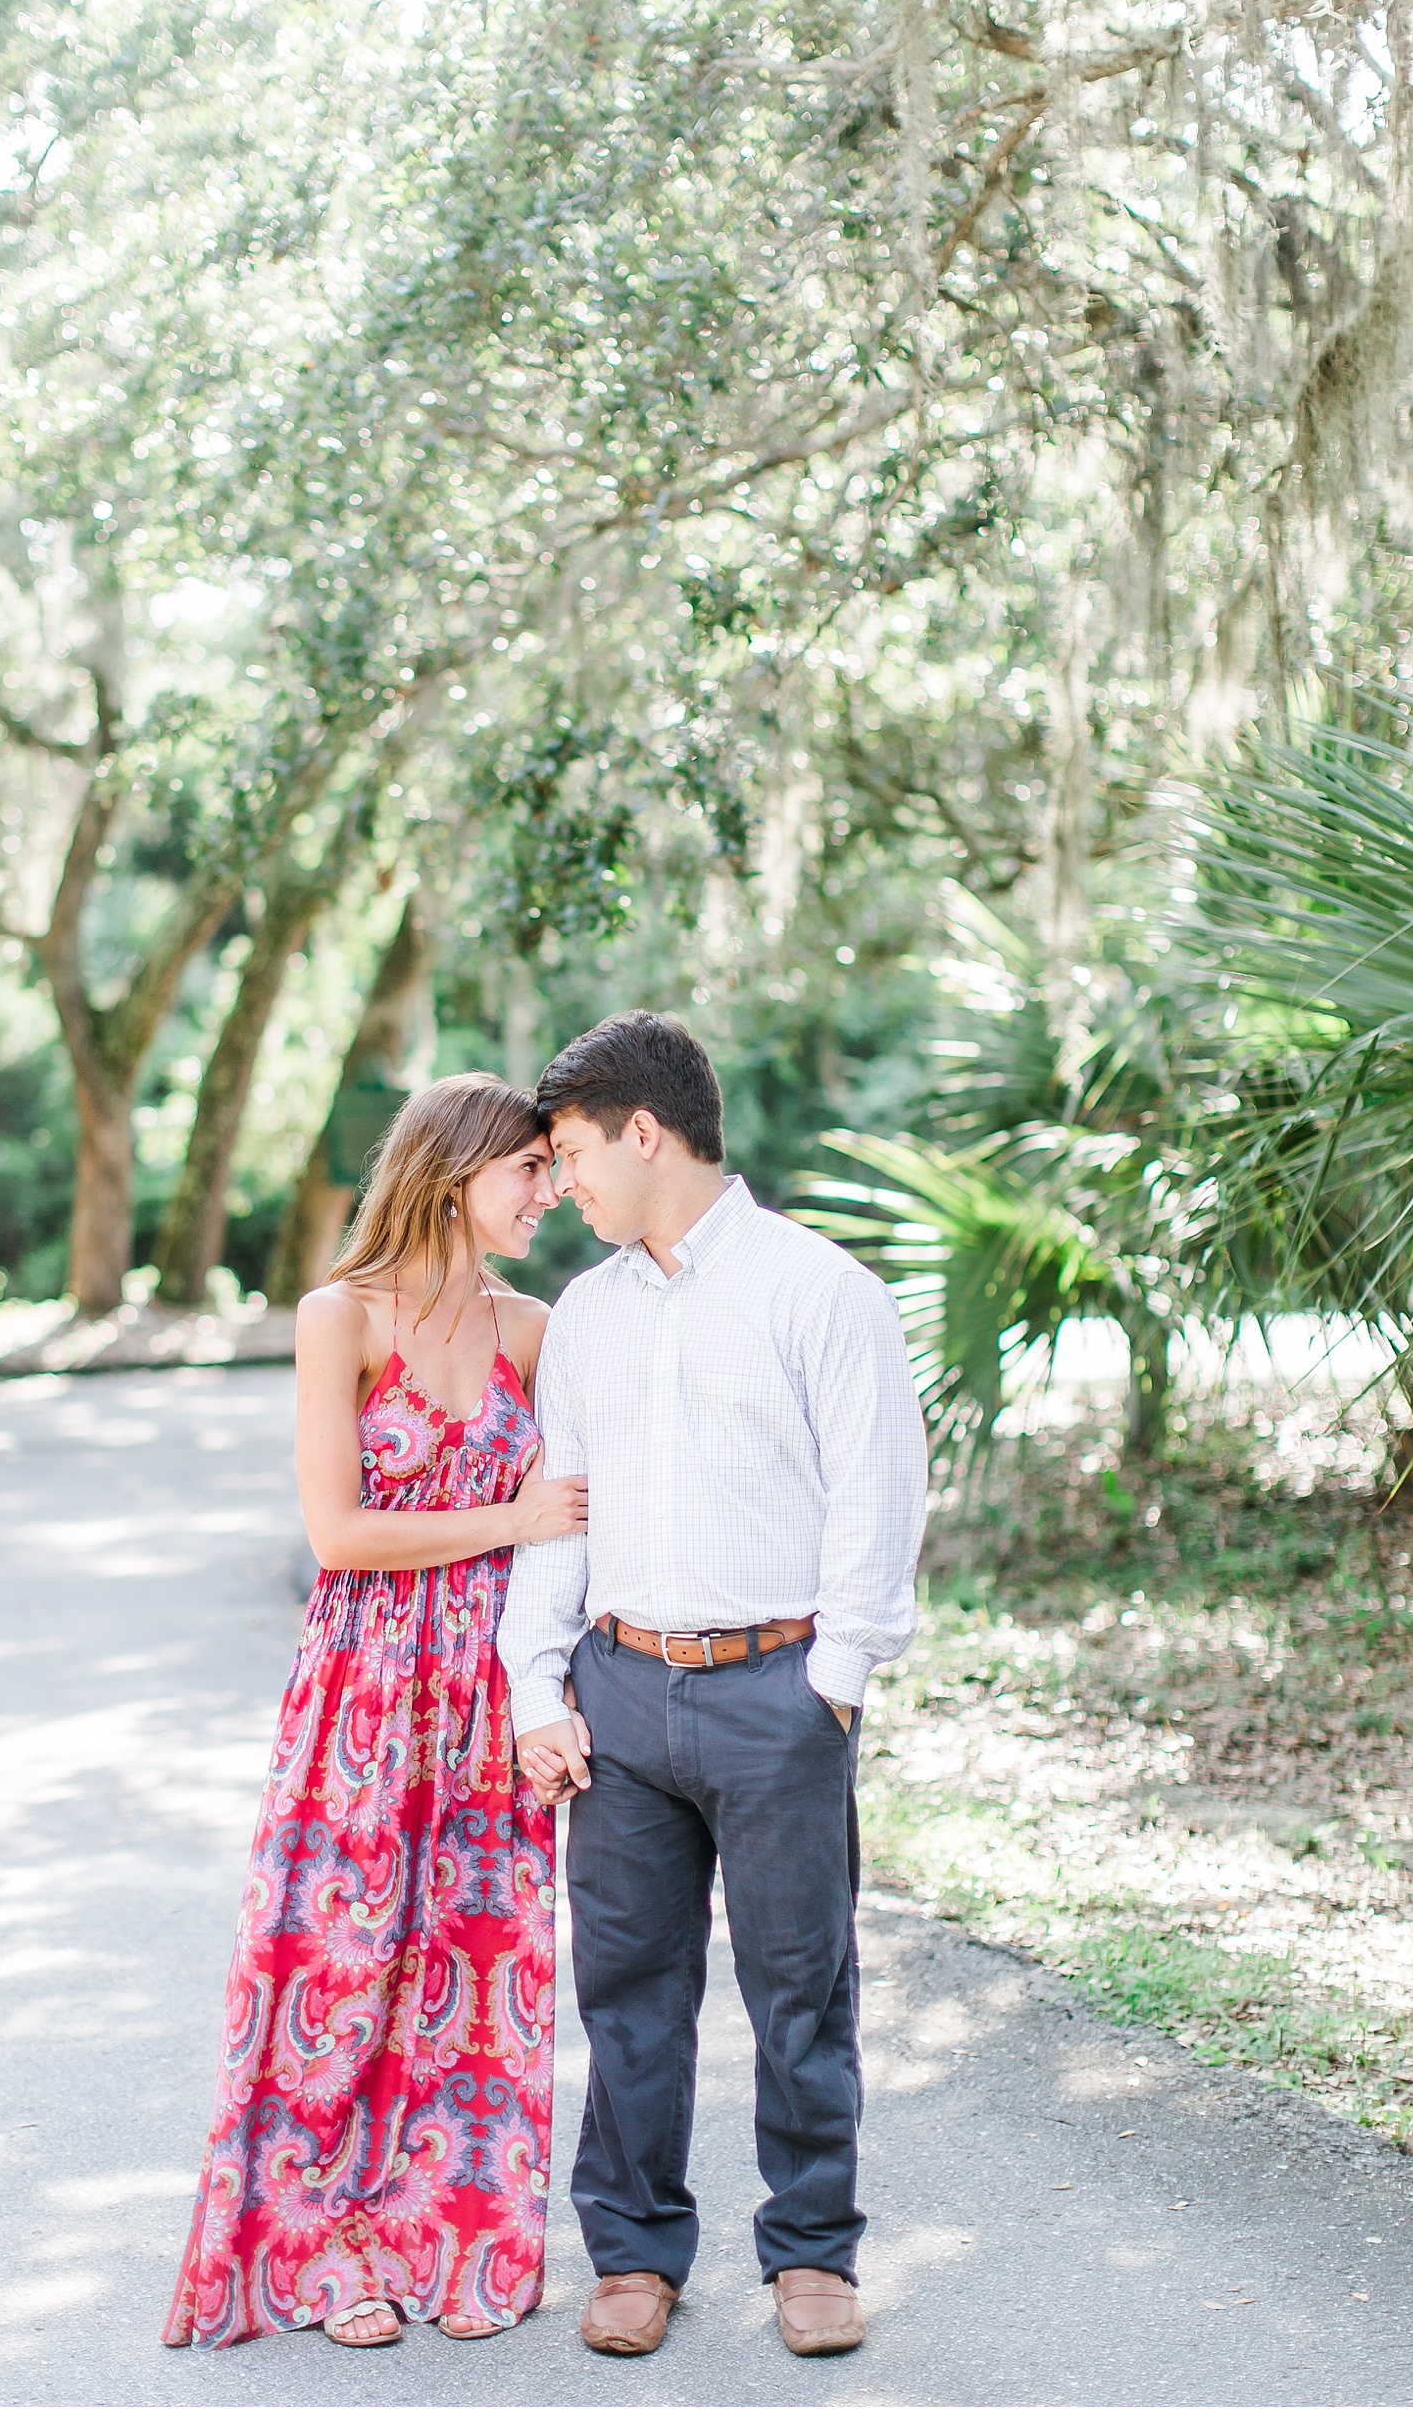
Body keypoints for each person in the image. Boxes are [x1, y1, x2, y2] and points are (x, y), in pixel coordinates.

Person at [498, 1011, 928, 2363]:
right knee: (629, 1987)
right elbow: (556, 1510)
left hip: (776, 1689)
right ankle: (633, 2251)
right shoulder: (586, 1314)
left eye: (568, 1152)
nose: (559, 1182)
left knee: (801, 1986)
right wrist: (536, 1683)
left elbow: (878, 1492)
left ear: (646, 1133)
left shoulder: (818, 1290)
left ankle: (812, 2249)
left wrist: (837, 1681)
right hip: (621, 1687)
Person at [163, 1074, 588, 2354]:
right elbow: (338, 1534)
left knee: (472, 1963)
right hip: (363, 1685)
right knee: (340, 1967)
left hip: (485, 1686)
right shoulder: (338, 1318)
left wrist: (549, 1687)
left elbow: (576, 1527)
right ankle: (331, 2249)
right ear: (457, 1171)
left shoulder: (536, 1328)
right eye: (530, 1170)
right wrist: (507, 1519)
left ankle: (452, 2235)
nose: (550, 1191)